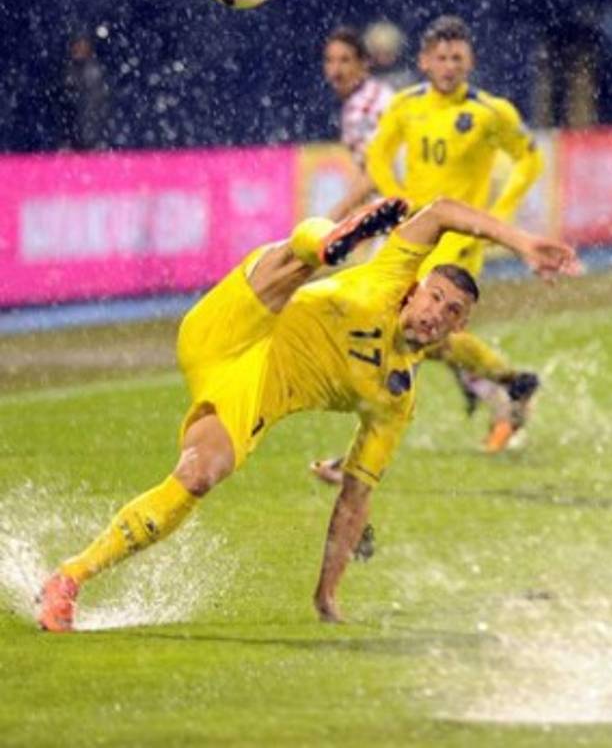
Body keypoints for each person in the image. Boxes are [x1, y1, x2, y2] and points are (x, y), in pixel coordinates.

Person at [37, 197, 579, 632]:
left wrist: (327, 595)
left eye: (452, 312)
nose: (437, 312)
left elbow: (355, 497)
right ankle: (335, 238)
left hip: (248, 385)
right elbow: (439, 213)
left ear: (458, 330)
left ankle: (67, 580)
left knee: (199, 476)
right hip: (235, 322)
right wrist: (524, 241)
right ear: (415, 292)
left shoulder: (394, 397)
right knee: (302, 257)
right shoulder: (390, 277)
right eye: (434, 298)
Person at [320, 14, 545, 462]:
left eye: (457, 57)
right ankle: (511, 381)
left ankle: (358, 455)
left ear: (469, 61)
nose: (448, 66)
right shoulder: (405, 106)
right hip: (417, 236)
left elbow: (530, 160)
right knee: (421, 338)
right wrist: (398, 196)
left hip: (459, 243)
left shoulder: (489, 112)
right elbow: (380, 156)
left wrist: (497, 215)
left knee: (405, 334)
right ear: (424, 61)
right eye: (440, 57)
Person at [322, 26, 394, 221]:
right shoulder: (371, 94)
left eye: (345, 60)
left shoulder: (364, 108)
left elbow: (376, 172)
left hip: (403, 204)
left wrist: (336, 215)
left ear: (364, 64)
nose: (336, 70)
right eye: (330, 60)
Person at [60, 32, 109, 150]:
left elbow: (96, 106)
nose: (79, 49)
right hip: (74, 133)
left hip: (91, 134)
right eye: (77, 45)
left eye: (83, 45)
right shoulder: (68, 71)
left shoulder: (94, 71)